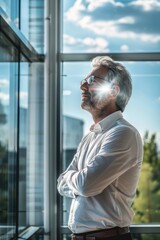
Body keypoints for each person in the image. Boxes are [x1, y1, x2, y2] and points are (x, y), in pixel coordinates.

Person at [57, 56, 143, 240]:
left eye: (91, 81)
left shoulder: (123, 133)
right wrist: (76, 183)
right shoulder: (90, 136)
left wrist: (72, 179)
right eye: (83, 81)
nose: (82, 86)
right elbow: (60, 184)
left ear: (113, 91)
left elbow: (86, 185)